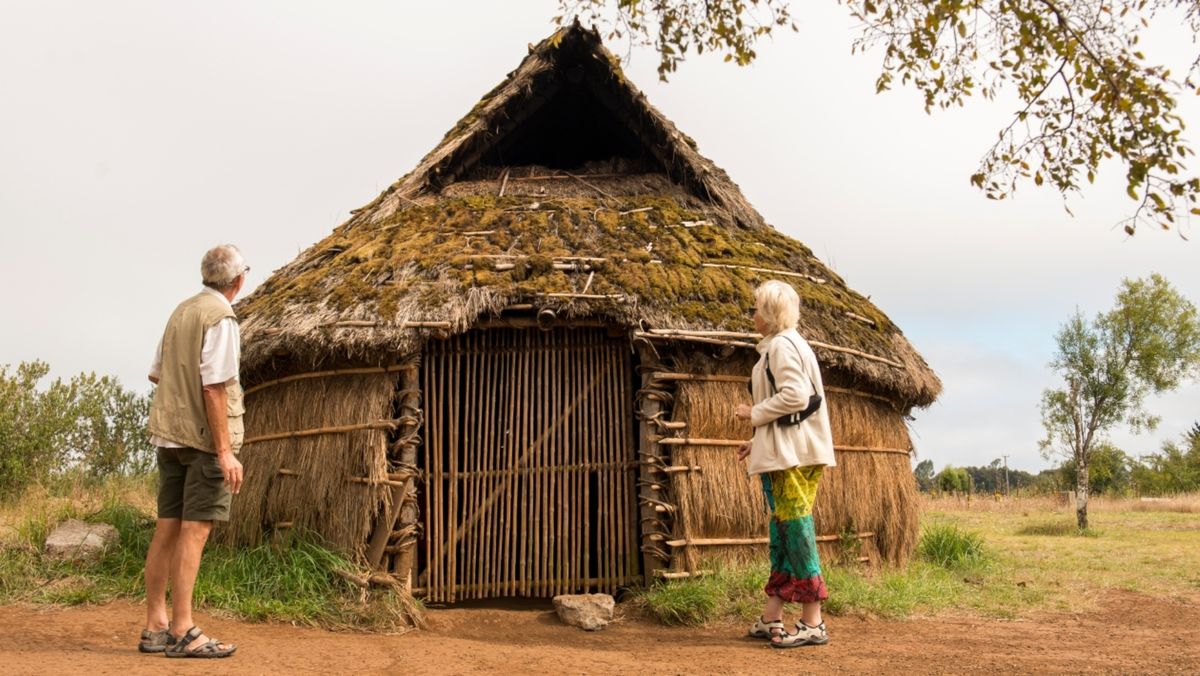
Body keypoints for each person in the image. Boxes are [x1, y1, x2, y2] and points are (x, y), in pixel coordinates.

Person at [137, 244, 248, 658]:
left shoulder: (181, 313)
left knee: (167, 527)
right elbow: (214, 386)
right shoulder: (220, 318)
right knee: (195, 530)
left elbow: (156, 374)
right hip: (203, 442)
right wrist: (223, 450)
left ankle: (155, 626)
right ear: (239, 280)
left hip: (169, 438)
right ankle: (184, 629)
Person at [734, 279, 836, 649]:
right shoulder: (788, 345)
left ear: (770, 313)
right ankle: (771, 616)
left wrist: (754, 414)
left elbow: (795, 396)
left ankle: (813, 621)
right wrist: (757, 442)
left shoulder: (781, 345)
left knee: (795, 530)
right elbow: (799, 411)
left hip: (793, 458)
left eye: (756, 308)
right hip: (791, 451)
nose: (753, 315)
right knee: (783, 533)